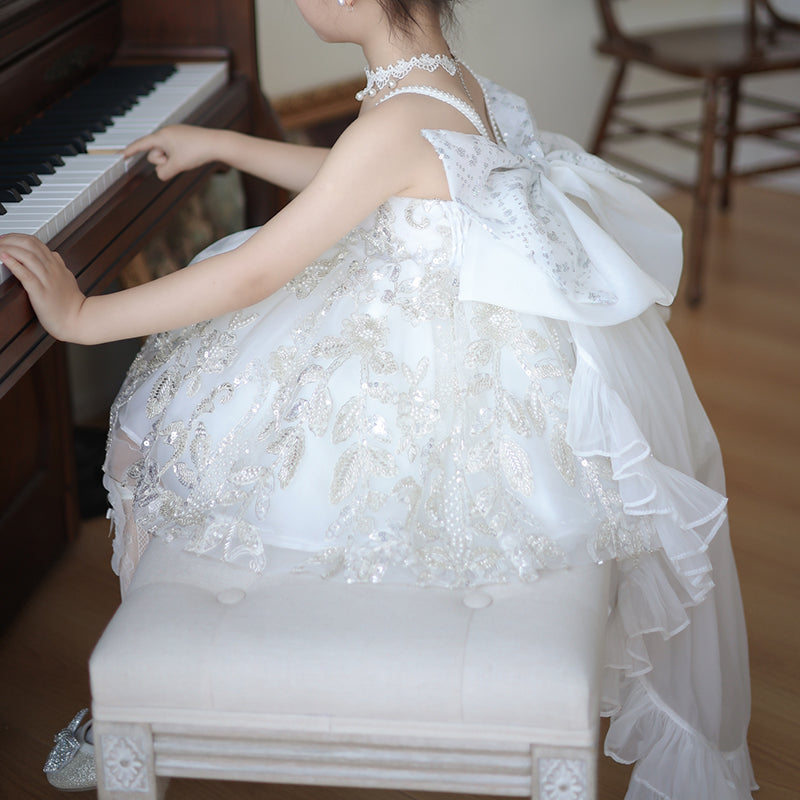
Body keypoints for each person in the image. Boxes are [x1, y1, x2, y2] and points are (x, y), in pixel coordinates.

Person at [0, 1, 756, 797]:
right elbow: (355, 181)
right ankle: (143, 679)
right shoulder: (449, 79)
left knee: (168, 427)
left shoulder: (393, 120)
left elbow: (257, 271)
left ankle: (142, 695)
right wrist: (223, 145)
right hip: (464, 329)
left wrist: (83, 319)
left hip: (425, 373)